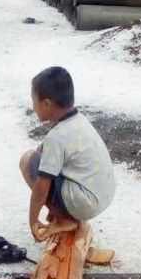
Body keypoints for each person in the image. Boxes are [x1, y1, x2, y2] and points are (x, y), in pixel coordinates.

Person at [20, 66, 115, 242]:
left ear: (47, 103)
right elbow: (50, 150)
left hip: (85, 203)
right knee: (41, 154)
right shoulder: (78, 120)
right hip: (102, 196)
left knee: (27, 160)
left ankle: (65, 220)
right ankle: (62, 210)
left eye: (34, 101)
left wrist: (33, 221)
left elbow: (42, 187)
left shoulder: (56, 137)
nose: (33, 106)